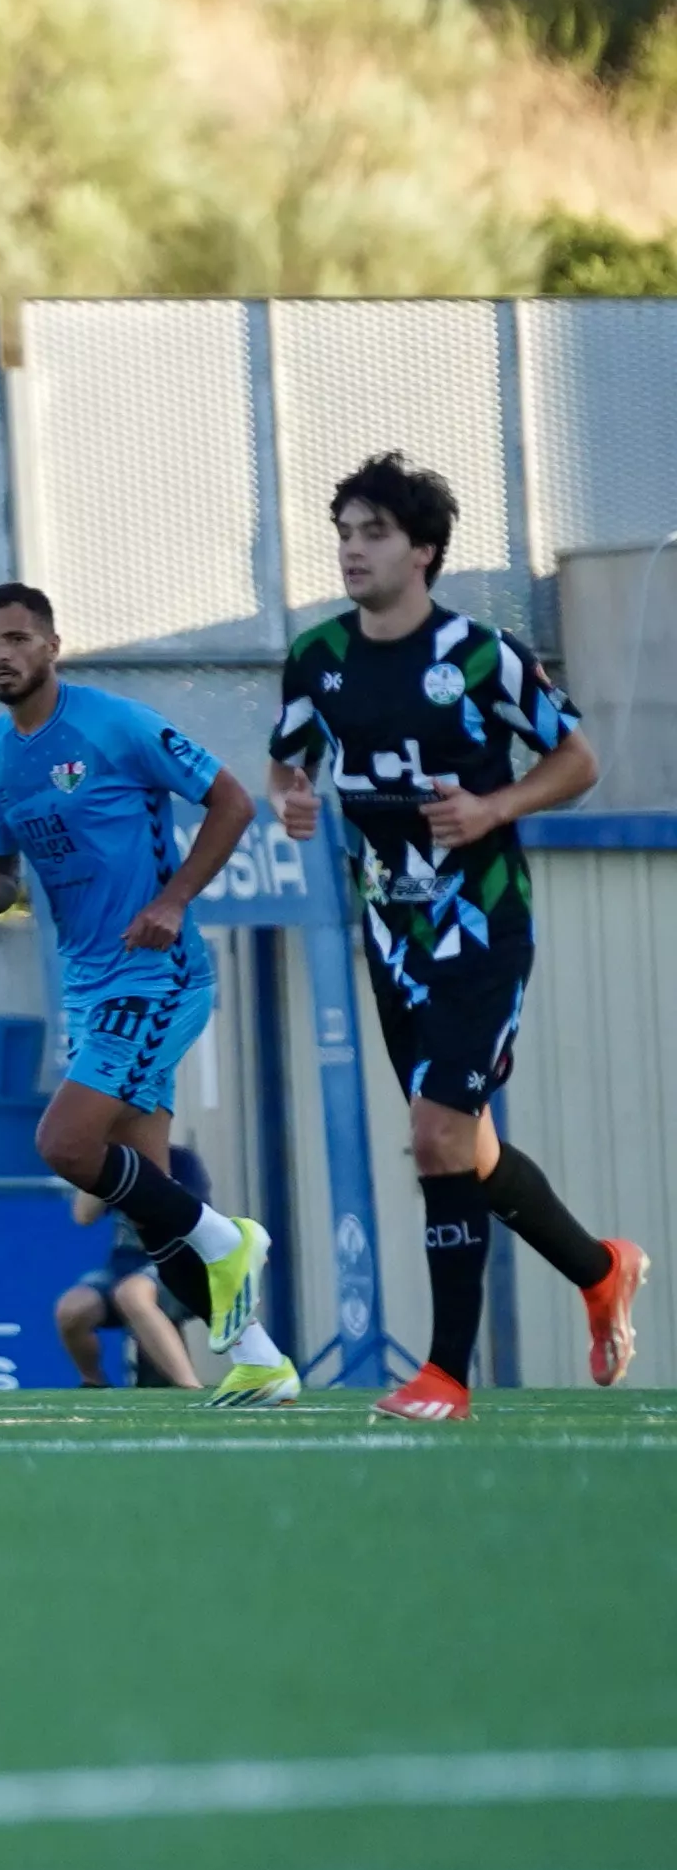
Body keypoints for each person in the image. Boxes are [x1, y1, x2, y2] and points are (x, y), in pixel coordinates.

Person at [267, 452, 646, 1419]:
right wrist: (293, 799)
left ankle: (444, 1374)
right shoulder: (317, 657)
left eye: (375, 533)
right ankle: (601, 1269)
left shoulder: (482, 654)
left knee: (434, 1136)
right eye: (345, 533)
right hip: (389, 937)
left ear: (425, 550)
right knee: (461, 1147)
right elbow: (288, 758)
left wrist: (493, 808)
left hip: (481, 927)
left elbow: (581, 758)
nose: (353, 550)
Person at [0, 581, 303, 1407]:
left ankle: (228, 1238)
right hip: (90, 984)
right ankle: (260, 1358)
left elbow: (231, 800)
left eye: (15, 638)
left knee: (65, 1145)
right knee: (151, 1205)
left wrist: (174, 899)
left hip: (159, 975)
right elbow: (1, 871)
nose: (0, 655)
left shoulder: (114, 724)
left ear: (51, 646)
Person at [56, 1141, 217, 1391]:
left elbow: (189, 1216)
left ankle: (190, 1386)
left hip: (177, 1261)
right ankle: (94, 1383)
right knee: (72, 1309)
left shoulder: (180, 1160)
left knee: (133, 1294)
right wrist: (99, 1167)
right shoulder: (114, 1164)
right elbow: (83, 1216)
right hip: (123, 1264)